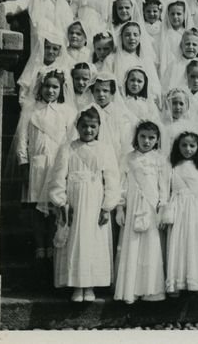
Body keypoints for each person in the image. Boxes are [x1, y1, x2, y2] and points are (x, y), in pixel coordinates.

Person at [48, 105, 120, 302]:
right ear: (77, 127)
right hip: (75, 201)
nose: (89, 130)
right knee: (75, 241)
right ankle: (76, 285)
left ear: (99, 128)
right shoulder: (67, 148)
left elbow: (112, 179)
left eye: (93, 127)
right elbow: (57, 178)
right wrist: (61, 203)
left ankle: (90, 286)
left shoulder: (105, 149)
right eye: (84, 126)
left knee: (93, 241)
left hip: (95, 201)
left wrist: (107, 207)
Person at [14, 69, 76, 261]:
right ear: (40, 88)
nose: (50, 90)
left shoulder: (67, 112)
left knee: (55, 206)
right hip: (38, 164)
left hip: (58, 164)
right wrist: (23, 162)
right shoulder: (31, 110)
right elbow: (22, 139)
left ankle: (53, 247)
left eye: (55, 87)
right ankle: (40, 248)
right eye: (47, 86)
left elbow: (71, 139)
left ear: (61, 89)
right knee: (37, 210)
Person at [114, 120, 167, 304]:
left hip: (152, 209)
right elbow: (121, 185)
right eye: (143, 137)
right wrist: (120, 207)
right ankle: (131, 289)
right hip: (133, 207)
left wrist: (161, 209)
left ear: (157, 140)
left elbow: (164, 187)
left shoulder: (160, 160)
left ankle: (150, 289)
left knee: (151, 247)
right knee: (132, 245)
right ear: (136, 137)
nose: (146, 141)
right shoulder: (128, 158)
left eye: (151, 138)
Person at [160, 122, 198, 295]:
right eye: (184, 145)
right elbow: (164, 188)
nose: (188, 149)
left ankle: (196, 282)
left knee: (196, 245)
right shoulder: (172, 165)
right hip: (178, 208)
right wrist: (165, 209)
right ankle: (176, 283)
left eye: (192, 145)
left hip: (196, 210)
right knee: (177, 244)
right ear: (177, 146)